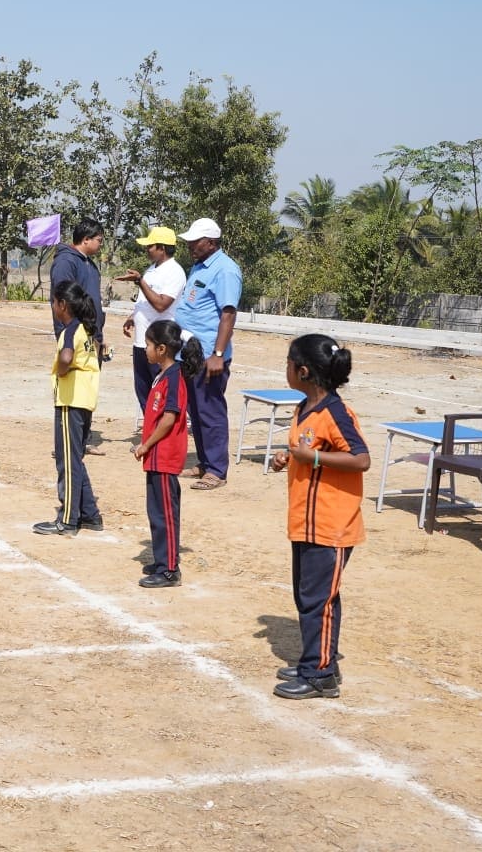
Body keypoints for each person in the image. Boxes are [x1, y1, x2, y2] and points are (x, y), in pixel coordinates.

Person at [268, 334, 370, 700]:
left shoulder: (335, 413)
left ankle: (320, 673)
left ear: (304, 371)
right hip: (305, 522)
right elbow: (305, 449)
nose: (287, 369)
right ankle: (316, 658)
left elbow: (360, 459)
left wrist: (312, 458)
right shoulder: (303, 409)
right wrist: (289, 457)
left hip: (331, 525)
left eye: (289, 363)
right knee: (307, 596)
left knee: (318, 600)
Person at [130, 321, 205, 587]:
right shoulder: (163, 375)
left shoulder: (174, 377)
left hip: (164, 455)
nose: (145, 350)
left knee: (165, 513)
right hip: (155, 456)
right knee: (156, 511)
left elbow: (170, 417)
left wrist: (146, 444)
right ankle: (162, 559)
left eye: (148, 345)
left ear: (161, 349)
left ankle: (170, 569)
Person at [174, 217, 243, 491]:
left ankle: (217, 470)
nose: (190, 245)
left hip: (208, 356)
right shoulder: (198, 266)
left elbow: (228, 314)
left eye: (195, 241)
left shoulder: (225, 270)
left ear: (211, 242)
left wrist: (217, 353)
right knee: (196, 411)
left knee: (210, 412)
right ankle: (204, 462)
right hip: (190, 354)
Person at [33, 281, 102, 536]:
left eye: (54, 302)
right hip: (83, 399)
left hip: (70, 400)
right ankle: (90, 514)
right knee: (74, 458)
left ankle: (68, 519)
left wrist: (62, 371)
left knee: (67, 461)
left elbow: (65, 357)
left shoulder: (71, 330)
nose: (52, 307)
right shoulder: (84, 327)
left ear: (63, 304)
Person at [117, 226, 186, 426]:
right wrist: (134, 316)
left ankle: (160, 435)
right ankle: (150, 431)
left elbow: (161, 304)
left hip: (160, 344)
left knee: (160, 393)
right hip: (143, 343)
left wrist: (140, 281)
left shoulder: (174, 272)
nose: (147, 249)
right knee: (143, 390)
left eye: (150, 246)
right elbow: (148, 302)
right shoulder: (152, 269)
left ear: (162, 248)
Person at [50, 220, 105, 347]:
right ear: (86, 239)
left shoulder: (90, 264)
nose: (101, 244)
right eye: (99, 240)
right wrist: (68, 335)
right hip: (75, 335)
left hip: (92, 333)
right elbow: (63, 300)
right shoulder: (65, 262)